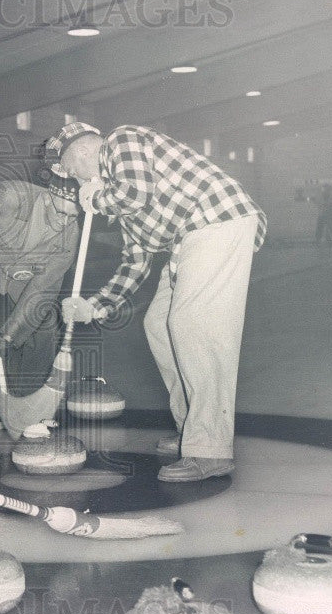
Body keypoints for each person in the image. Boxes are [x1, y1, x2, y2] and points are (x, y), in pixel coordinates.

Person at [51, 122, 267, 482]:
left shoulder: (121, 140)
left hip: (218, 221)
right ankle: (192, 431)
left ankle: (209, 450)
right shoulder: (119, 197)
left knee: (192, 324)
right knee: (159, 325)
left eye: (71, 169)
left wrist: (92, 199)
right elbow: (135, 262)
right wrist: (95, 305)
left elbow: (135, 194)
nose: (73, 178)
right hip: (190, 239)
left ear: (84, 150)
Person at [0, 169, 80, 430]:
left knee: (42, 325)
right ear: (47, 198)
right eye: (61, 213)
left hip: (24, 268)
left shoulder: (70, 235)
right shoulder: (6, 198)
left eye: (73, 216)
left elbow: (41, 290)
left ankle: (27, 399)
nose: (65, 222)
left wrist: (10, 334)